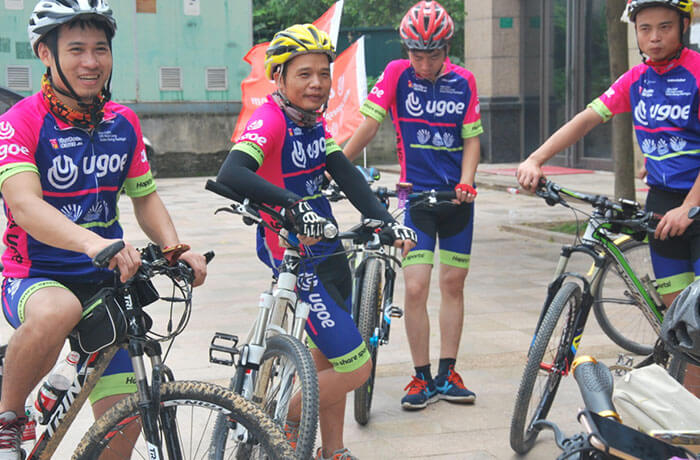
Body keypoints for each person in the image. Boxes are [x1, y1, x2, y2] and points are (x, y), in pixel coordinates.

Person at [0, 0, 208, 457]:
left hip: (107, 284)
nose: (91, 62)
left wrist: (174, 248)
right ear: (45, 53)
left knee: (120, 433)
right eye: (76, 49)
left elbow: (145, 196)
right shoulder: (20, 122)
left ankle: (64, 374)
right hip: (36, 276)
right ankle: (8, 417)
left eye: (101, 49)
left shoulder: (123, 121)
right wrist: (97, 242)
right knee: (57, 312)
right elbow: (26, 206)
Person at [215, 23, 416, 460]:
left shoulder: (311, 123)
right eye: (304, 74)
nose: (317, 83)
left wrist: (384, 221)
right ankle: (276, 420)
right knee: (356, 366)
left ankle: (334, 451)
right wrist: (292, 204)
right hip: (295, 255)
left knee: (329, 360)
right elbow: (232, 173)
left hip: (328, 248)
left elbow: (342, 170)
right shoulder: (270, 119)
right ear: (281, 78)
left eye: (324, 74)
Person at [516, 0, 700, 397]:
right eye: (645, 28)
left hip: (696, 201)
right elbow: (587, 117)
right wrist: (536, 158)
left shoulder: (698, 72)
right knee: (680, 321)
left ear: (684, 25)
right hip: (663, 204)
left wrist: (690, 205)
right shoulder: (636, 79)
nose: (654, 37)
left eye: (665, 27)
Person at [342, 0, 482, 410]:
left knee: (452, 285)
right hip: (413, 196)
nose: (422, 62)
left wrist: (467, 181)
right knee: (416, 286)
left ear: (447, 48)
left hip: (457, 199)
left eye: (432, 54)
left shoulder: (465, 81)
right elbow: (369, 123)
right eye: (416, 53)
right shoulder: (396, 74)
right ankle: (421, 377)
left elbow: (472, 138)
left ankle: (447, 373)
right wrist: (340, 166)